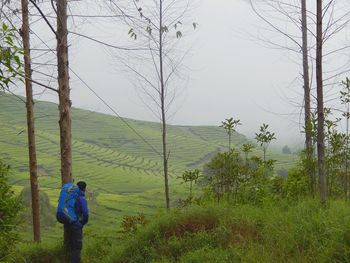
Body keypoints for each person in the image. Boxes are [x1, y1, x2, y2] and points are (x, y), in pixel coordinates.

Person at [64, 181, 89, 263]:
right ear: (84, 189)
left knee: (71, 245)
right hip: (76, 225)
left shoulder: (70, 196)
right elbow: (85, 213)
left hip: (67, 224)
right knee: (77, 247)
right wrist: (82, 223)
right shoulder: (81, 198)